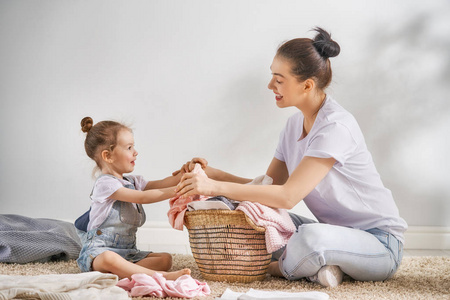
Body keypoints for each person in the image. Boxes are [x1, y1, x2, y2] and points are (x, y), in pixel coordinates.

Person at [174, 27, 407, 288]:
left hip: (378, 243)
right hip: (336, 235)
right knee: (254, 214)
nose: (270, 85)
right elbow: (268, 189)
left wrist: (214, 186)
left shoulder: (335, 127)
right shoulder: (292, 126)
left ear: (307, 84)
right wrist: (215, 176)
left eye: (279, 79)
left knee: (309, 238)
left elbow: (288, 197)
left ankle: (279, 267)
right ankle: (318, 267)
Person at [75, 117, 191, 280]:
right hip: (99, 253)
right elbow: (142, 197)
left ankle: (126, 272)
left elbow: (163, 183)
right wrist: (180, 189)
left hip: (128, 253)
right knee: (110, 258)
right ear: (108, 156)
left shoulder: (133, 181)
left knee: (165, 259)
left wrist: (186, 173)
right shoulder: (105, 184)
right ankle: (162, 277)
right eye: (129, 147)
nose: (135, 152)